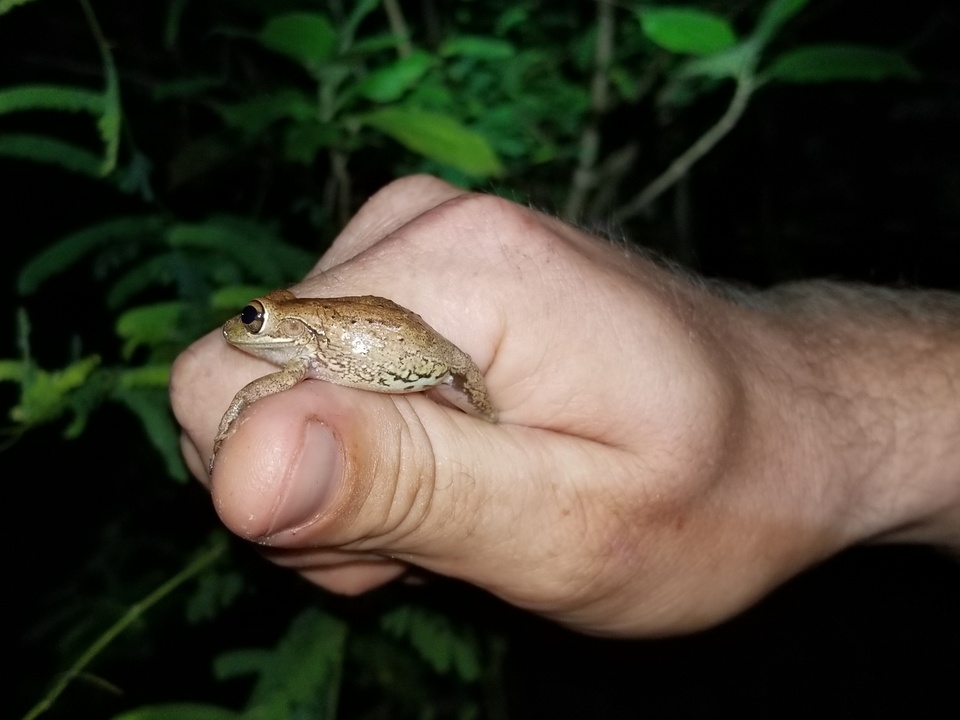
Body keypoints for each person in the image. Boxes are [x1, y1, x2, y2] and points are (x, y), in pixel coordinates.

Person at [170, 175, 960, 637]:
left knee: (414, 384)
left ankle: (473, 406)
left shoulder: (294, 351)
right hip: (408, 356)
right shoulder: (296, 352)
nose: (244, 333)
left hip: (414, 357)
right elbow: (264, 387)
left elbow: (270, 391)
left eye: (250, 321)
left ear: (270, 320)